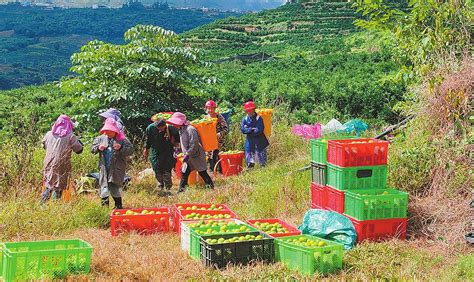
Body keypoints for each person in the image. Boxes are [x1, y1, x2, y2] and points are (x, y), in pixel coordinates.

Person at [166, 112, 214, 193]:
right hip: (188, 157)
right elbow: (183, 143)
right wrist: (178, 150)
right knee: (184, 173)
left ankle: (211, 188)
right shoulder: (180, 130)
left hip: (196, 155)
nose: (174, 125)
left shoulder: (190, 129)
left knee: (202, 172)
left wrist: (188, 153)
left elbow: (194, 143)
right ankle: (181, 191)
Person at [91, 118, 133, 209]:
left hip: (117, 168)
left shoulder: (122, 139)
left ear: (115, 130)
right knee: (104, 188)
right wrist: (99, 148)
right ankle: (104, 209)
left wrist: (121, 148)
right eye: (106, 131)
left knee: (115, 187)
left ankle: (118, 207)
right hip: (104, 167)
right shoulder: (100, 139)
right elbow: (92, 149)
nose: (108, 133)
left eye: (110, 131)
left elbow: (130, 151)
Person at [41, 115, 83, 202]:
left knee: (49, 185)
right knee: (58, 186)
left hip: (48, 163)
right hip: (62, 164)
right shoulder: (70, 136)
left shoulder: (49, 134)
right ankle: (55, 207)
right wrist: (80, 143)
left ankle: (42, 205)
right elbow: (79, 150)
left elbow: (44, 146)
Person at [143, 118, 180, 192]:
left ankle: (168, 186)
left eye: (162, 128)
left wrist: (176, 145)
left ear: (165, 125)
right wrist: (146, 149)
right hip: (156, 151)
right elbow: (148, 140)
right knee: (156, 167)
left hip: (168, 150)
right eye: (158, 128)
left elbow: (177, 140)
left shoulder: (171, 128)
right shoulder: (150, 128)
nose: (160, 130)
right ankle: (160, 185)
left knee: (167, 168)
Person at [241, 101, 269, 168]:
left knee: (262, 163)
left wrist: (248, 130)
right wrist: (251, 129)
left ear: (254, 109)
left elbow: (259, 130)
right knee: (250, 162)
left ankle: (263, 172)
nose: (249, 112)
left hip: (260, 142)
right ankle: (251, 172)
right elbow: (242, 130)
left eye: (250, 110)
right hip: (249, 143)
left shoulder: (259, 118)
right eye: (247, 110)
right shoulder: (245, 119)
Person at [204, 100, 229, 172]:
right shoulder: (205, 118)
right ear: (206, 109)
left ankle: (222, 171)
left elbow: (226, 129)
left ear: (215, 109)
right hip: (209, 142)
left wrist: (220, 134)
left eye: (212, 108)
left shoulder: (219, 117)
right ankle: (212, 172)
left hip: (219, 141)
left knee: (219, 156)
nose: (210, 110)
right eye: (208, 108)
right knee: (210, 158)